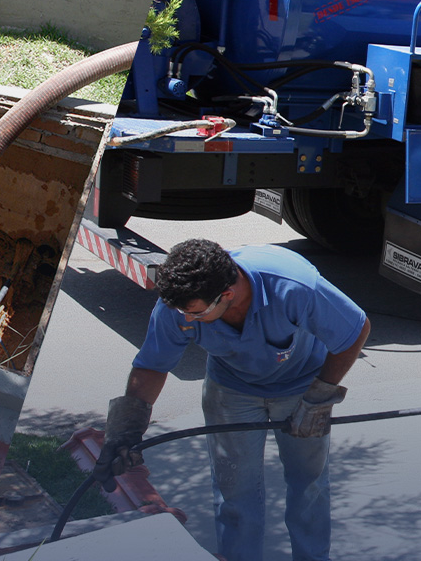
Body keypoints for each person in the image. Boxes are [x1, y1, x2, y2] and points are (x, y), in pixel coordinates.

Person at [93, 239, 371, 561]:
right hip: (231, 391)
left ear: (226, 295)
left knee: (308, 483)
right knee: (235, 492)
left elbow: (355, 331)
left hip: (302, 389)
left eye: (195, 313)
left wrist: (320, 398)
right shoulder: (179, 307)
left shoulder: (293, 285)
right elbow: (152, 364)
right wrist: (125, 431)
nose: (187, 319)